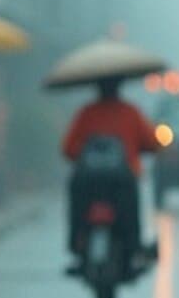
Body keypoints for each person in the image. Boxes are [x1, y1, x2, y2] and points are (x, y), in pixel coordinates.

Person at [60, 79, 162, 272]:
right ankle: (133, 248)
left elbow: (68, 149)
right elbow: (151, 142)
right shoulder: (130, 112)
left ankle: (77, 243)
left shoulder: (86, 113)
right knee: (130, 212)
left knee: (77, 205)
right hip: (122, 180)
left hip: (87, 180)